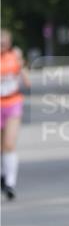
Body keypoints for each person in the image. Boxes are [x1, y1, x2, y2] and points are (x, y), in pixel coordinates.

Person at [1, 29, 31, 200]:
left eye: (4, 43)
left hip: (12, 103)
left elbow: (27, 82)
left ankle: (10, 183)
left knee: (9, 144)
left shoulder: (14, 58)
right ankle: (3, 174)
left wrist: (21, 65)